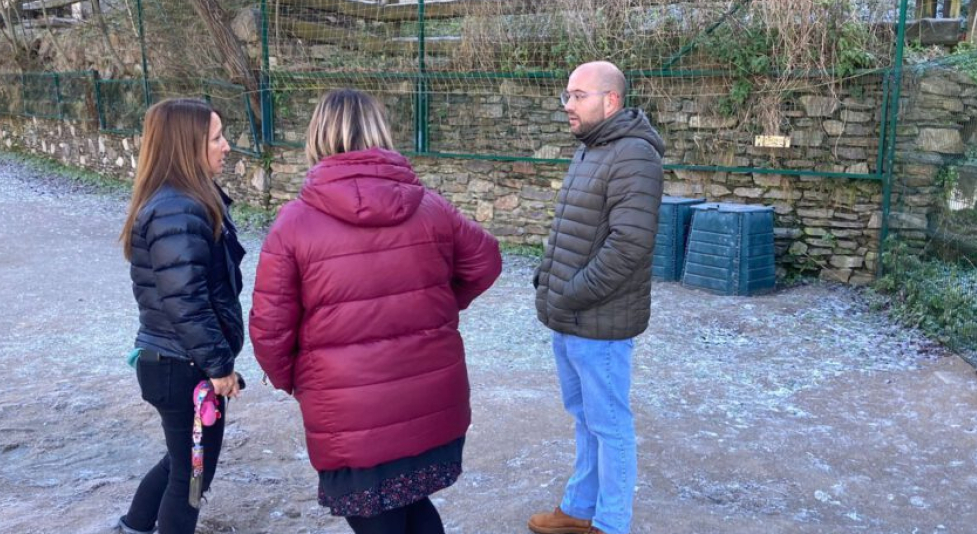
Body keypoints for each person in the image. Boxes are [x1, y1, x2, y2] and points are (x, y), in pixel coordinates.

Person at [250, 89, 503, 534]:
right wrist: (435, 310)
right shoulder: (430, 206)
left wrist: (300, 382)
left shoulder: (294, 223)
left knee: (384, 518)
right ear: (380, 132)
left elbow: (270, 333)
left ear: (318, 136)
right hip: (428, 398)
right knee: (412, 506)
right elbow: (485, 262)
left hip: (350, 413)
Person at [529, 61, 665, 534]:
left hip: (600, 321)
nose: (568, 105)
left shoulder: (634, 156)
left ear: (610, 100)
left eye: (578, 95)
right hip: (570, 316)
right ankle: (578, 511)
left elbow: (630, 244)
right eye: (566, 95)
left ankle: (611, 524)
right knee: (585, 419)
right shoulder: (591, 149)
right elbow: (573, 229)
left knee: (610, 426)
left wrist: (572, 292)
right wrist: (548, 277)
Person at [118, 98, 246, 534]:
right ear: (186, 146)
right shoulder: (178, 208)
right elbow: (185, 301)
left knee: (183, 463)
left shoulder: (184, 201)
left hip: (174, 362)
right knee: (192, 477)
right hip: (182, 366)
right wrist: (218, 366)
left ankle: (134, 525)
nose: (226, 147)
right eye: (216, 138)